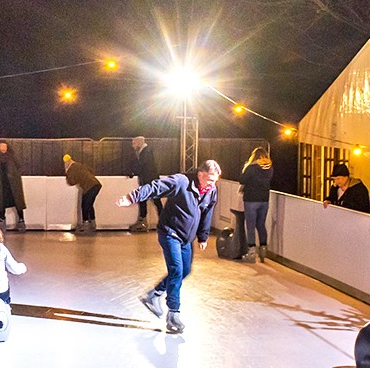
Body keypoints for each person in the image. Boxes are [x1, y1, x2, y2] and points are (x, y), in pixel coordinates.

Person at [117, 160, 220, 334]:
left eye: (215, 180)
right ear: (200, 174)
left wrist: (203, 236)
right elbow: (155, 187)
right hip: (169, 232)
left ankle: (154, 295)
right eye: (210, 179)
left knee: (185, 270)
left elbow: (207, 212)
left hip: (186, 238)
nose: (212, 184)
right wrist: (131, 197)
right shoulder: (181, 182)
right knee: (176, 271)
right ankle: (173, 314)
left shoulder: (211, 191)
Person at [239, 146, 274, 263]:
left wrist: (247, 167)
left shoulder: (251, 167)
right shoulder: (269, 168)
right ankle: (263, 249)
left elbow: (242, 180)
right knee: (261, 224)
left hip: (251, 200)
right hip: (264, 200)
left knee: (250, 225)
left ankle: (252, 252)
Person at [0, 141, 28, 231]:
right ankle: (2, 221)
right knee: (2, 203)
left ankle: (21, 221)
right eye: (1, 146)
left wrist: (16, 175)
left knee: (17, 202)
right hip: (3, 183)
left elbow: (19, 167)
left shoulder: (12, 157)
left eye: (5, 146)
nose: (3, 148)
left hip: (13, 183)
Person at [127, 136, 162, 232]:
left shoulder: (146, 152)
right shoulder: (145, 151)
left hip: (149, 181)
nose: (132, 146)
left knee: (152, 201)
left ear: (139, 143)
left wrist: (133, 172)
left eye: (134, 143)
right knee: (152, 201)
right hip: (151, 181)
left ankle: (144, 222)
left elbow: (143, 165)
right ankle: (157, 222)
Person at [63, 153, 102, 233]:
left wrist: (67, 173)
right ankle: (92, 224)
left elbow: (71, 182)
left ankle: (86, 224)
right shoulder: (79, 165)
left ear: (67, 162)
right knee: (88, 204)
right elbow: (90, 170)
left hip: (89, 187)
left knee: (85, 205)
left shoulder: (71, 168)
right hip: (95, 184)